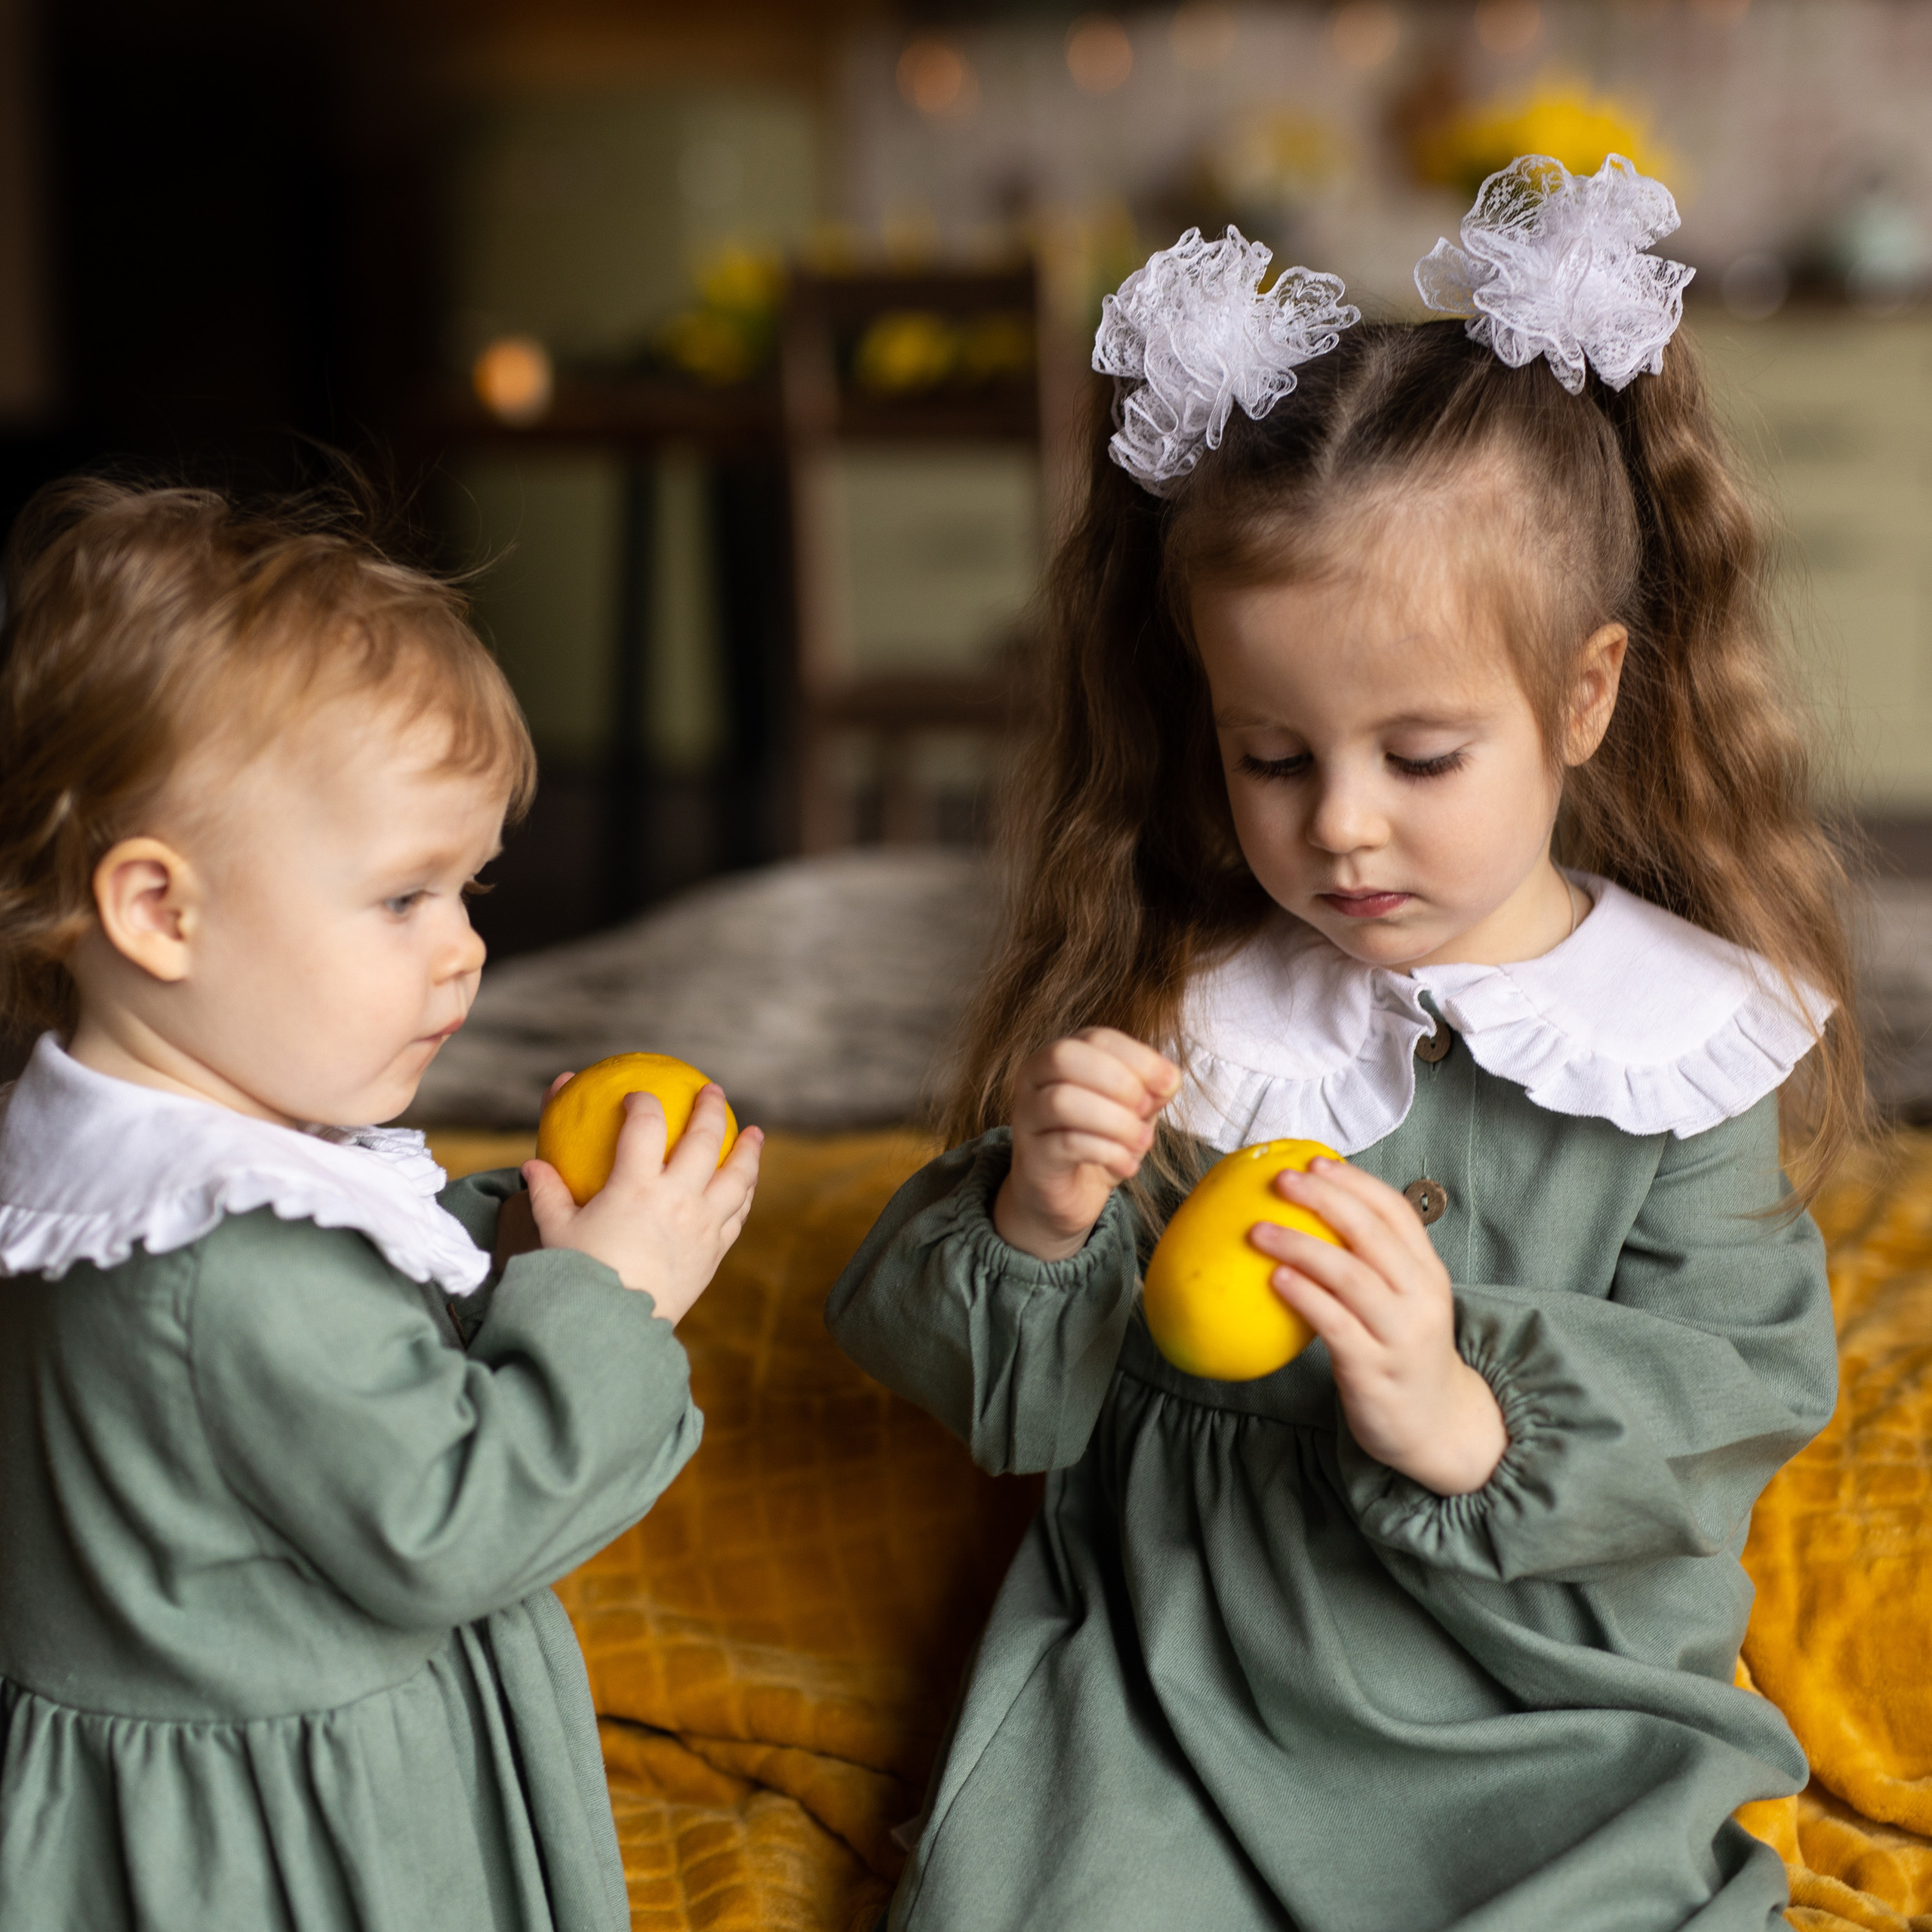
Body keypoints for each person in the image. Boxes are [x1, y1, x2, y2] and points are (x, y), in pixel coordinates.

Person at [828, 156, 1858, 1931]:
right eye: (1273, 757)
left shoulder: (1686, 1044)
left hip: (1547, 1702)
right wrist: (1041, 1213)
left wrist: (1465, 1407)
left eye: (1420, 756)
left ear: (1581, 695)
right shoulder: (1191, 1015)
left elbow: (1731, 1398)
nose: (1342, 830)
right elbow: (992, 1405)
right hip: (1180, 1689)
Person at [0, 479, 763, 1930]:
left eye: (470, 890)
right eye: (405, 898)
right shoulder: (226, 1260)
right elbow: (456, 1517)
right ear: (160, 912)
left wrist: (514, 1245)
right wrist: (614, 1300)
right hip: (286, 1855)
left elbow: (350, 1336)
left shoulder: (122, 1177)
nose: (467, 953)